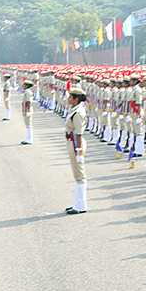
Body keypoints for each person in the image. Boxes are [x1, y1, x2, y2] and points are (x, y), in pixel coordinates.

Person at [65, 86, 89, 214]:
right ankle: (77, 203)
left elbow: (78, 133)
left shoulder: (78, 112)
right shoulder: (75, 109)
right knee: (77, 175)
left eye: (70, 97)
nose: (68, 99)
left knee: (80, 176)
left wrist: (79, 151)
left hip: (75, 143)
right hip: (72, 142)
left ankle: (81, 205)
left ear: (76, 99)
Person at [20, 79, 35, 144]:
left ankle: (29, 139)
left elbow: (29, 102)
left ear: (27, 86)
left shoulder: (28, 92)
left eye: (24, 84)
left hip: (27, 109)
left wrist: (28, 110)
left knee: (29, 125)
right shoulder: (26, 91)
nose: (23, 85)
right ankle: (28, 138)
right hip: (26, 109)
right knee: (27, 124)